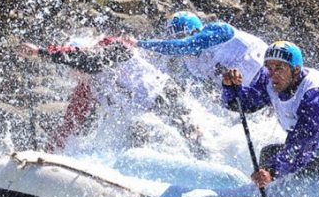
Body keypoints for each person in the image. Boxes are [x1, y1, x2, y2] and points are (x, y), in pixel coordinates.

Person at [18, 36, 206, 156]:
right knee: (134, 150)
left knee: (193, 138)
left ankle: (206, 159)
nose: (74, 74)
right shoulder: (87, 86)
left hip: (165, 96)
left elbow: (88, 59)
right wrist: (47, 154)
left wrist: (40, 52)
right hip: (142, 117)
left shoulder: (113, 47)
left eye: (74, 68)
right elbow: (70, 123)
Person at [222, 41, 319, 188]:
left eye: (279, 68)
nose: (272, 74)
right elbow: (245, 104)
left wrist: (271, 171)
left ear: (295, 70)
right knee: (268, 154)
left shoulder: (315, 95)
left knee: (274, 164)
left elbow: (303, 144)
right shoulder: (269, 79)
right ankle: (272, 195)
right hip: (313, 149)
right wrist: (231, 88)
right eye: (269, 67)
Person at [137, 11, 268, 88]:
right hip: (250, 92)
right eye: (175, 38)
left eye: (182, 36)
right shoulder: (191, 65)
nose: (180, 43)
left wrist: (139, 43)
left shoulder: (219, 30)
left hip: (268, 72)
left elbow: (183, 46)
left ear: (195, 30)